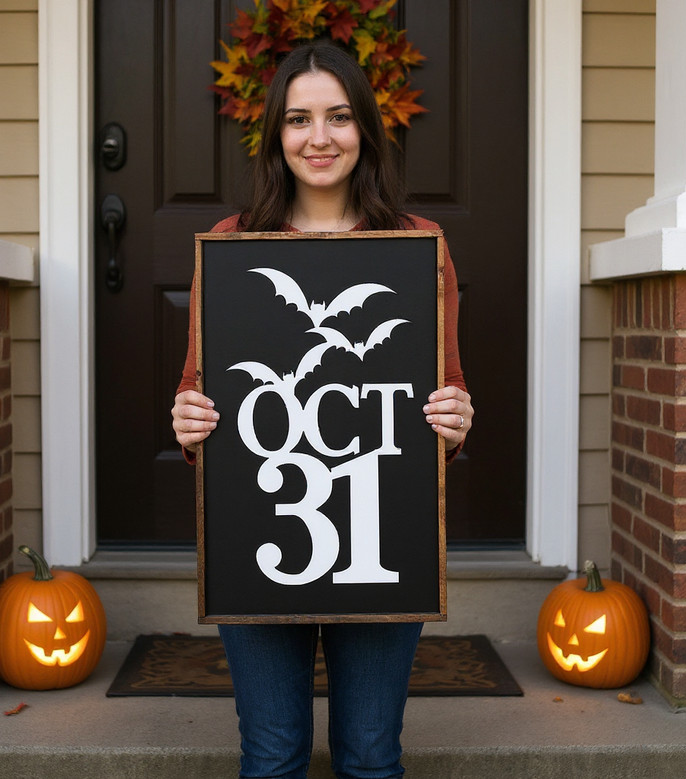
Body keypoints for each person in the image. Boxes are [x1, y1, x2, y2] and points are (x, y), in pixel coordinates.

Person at [172, 41, 473, 779]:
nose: (319, 137)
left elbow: (447, 386)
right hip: (263, 529)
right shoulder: (230, 248)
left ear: (365, 129)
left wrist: (455, 419)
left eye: (338, 117)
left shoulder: (418, 248)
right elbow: (196, 388)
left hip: (380, 532)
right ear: (276, 134)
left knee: (371, 756)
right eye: (299, 119)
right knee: (271, 755)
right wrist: (188, 422)